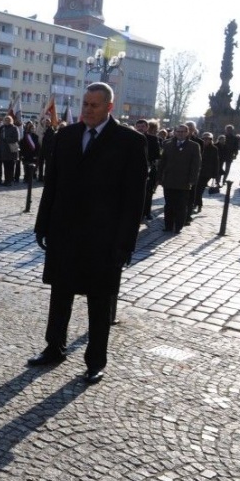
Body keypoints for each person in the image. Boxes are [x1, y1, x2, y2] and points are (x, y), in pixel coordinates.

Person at [30, 82, 147, 385]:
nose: (87, 110)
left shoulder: (129, 141)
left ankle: (95, 361)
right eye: (85, 104)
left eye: (94, 105)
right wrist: (42, 224)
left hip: (103, 238)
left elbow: (134, 199)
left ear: (109, 106)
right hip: (65, 232)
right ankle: (54, 347)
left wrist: (125, 244)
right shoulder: (67, 135)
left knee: (99, 302)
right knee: (60, 294)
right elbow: (52, 184)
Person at [158, 125, 201, 234]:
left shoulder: (194, 146)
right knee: (169, 204)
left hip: (184, 181)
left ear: (187, 133)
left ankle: (178, 226)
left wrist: (192, 179)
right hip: (169, 180)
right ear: (175, 132)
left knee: (181, 205)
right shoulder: (167, 144)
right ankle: (168, 225)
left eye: (183, 132)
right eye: (178, 131)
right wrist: (159, 177)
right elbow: (162, 162)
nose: (180, 133)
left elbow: (196, 165)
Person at [195, 132, 221, 213]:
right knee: (195, 189)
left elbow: (216, 162)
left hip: (206, 173)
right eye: (204, 138)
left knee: (200, 189)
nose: (206, 140)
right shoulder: (198, 147)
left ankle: (199, 204)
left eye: (208, 139)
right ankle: (196, 203)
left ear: (211, 140)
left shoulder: (214, 149)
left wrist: (215, 175)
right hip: (196, 171)